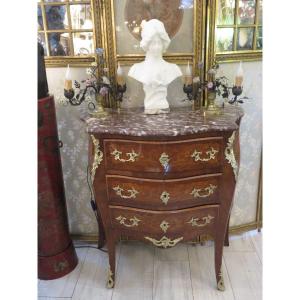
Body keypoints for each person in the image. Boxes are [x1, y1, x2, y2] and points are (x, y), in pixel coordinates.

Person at [128, 19, 182, 114]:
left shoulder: (173, 69)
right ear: (147, 44)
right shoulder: (136, 69)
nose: (157, 47)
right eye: (153, 43)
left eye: (159, 43)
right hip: (149, 107)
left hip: (164, 107)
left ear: (164, 43)